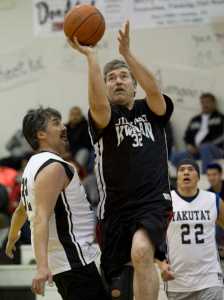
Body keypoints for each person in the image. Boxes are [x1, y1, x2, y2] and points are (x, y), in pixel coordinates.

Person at [68, 21, 173, 300]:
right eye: (111, 77)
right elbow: (99, 105)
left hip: (152, 202)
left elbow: (154, 90)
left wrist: (127, 53)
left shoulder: (152, 110)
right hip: (115, 209)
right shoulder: (103, 117)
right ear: (105, 86)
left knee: (141, 251)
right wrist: (92, 57)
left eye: (123, 76)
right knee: (119, 284)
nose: (117, 81)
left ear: (134, 84)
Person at [5, 107, 109, 300]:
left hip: (68, 262)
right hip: (73, 261)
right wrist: (41, 267)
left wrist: (12, 238)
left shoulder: (31, 168)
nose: (63, 127)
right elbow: (39, 218)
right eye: (56, 123)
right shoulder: (53, 167)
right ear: (41, 134)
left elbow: (21, 211)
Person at [164, 159, 224, 300]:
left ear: (198, 176)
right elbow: (152, 236)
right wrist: (160, 264)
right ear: (177, 176)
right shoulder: (165, 202)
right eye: (182, 169)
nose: (186, 172)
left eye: (191, 169)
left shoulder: (212, 200)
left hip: (210, 279)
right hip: (177, 282)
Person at [171, 93, 224, 173]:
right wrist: (189, 146)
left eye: (207, 102)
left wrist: (203, 146)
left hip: (215, 149)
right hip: (196, 150)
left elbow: (222, 137)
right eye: (203, 102)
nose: (205, 105)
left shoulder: (220, 118)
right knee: (176, 156)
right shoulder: (195, 120)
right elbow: (187, 136)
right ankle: (191, 176)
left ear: (214, 103)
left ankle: (205, 178)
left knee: (205, 148)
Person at [65, 106, 94, 172]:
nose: (75, 117)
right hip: (68, 151)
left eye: (77, 114)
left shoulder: (86, 127)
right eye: (73, 114)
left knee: (84, 152)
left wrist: (71, 152)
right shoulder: (65, 128)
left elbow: (87, 144)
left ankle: (76, 172)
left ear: (81, 115)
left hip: (81, 150)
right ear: (69, 115)